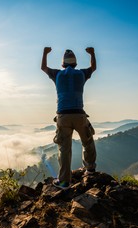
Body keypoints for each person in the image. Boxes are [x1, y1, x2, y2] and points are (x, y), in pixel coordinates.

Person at [41, 46, 97, 189]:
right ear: (75, 64)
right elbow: (93, 67)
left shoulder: (57, 74)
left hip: (63, 116)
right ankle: (90, 169)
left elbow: (43, 67)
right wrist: (92, 53)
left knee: (64, 149)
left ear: (63, 64)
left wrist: (45, 53)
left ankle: (65, 181)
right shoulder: (81, 74)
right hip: (79, 114)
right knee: (88, 141)